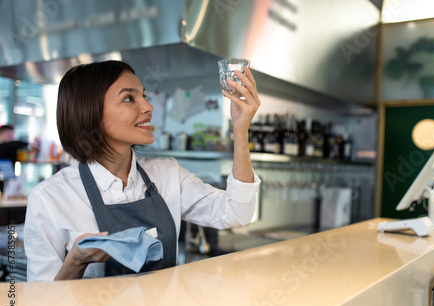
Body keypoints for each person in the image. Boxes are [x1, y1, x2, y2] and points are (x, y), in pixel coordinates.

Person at [24, 60, 261, 281]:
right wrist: (75, 263)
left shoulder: (167, 174)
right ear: (90, 112)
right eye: (129, 99)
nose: (148, 107)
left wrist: (241, 130)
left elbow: (236, 212)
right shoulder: (50, 199)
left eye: (144, 96)